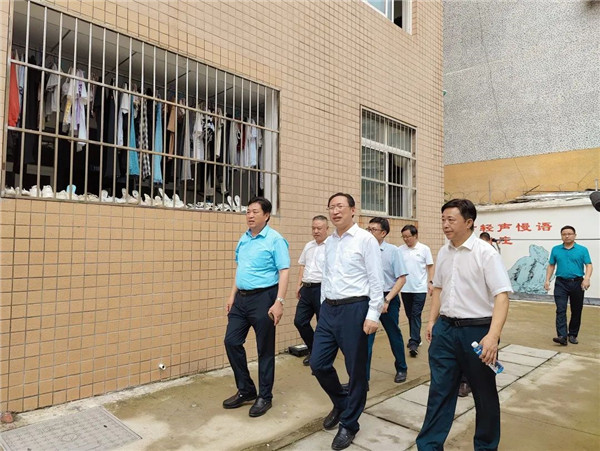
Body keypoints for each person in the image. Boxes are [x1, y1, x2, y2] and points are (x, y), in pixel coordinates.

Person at [416, 199, 512, 450]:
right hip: (445, 330)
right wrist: (432, 321)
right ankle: (428, 445)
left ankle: (485, 446)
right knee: (439, 391)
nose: (445, 225)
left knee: (484, 393)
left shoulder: (486, 253)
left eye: (451, 220)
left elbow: (502, 296)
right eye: (443, 220)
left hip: (477, 332)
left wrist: (492, 336)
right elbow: (438, 288)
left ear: (469, 222)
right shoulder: (444, 252)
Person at [310, 193, 384, 451]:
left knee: (356, 371)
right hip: (329, 309)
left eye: (340, 206)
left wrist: (373, 314)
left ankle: (350, 423)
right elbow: (327, 276)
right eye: (331, 207)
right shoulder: (330, 242)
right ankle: (342, 403)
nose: (335, 211)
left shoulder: (365, 240)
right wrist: (323, 306)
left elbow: (376, 279)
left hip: (355, 308)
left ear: (353, 210)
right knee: (318, 363)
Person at [223, 197, 290, 417]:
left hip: (264, 298)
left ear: (266, 215)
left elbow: (284, 271)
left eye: (255, 212)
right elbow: (240, 268)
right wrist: (232, 295)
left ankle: (265, 396)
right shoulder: (244, 238)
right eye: (248, 212)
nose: (250, 216)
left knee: (264, 349)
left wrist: (279, 302)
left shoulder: (275, 239)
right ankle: (246, 390)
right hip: (241, 300)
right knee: (231, 341)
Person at [366, 217, 408, 385]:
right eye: (368, 229)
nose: (369, 232)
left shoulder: (393, 251)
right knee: (366, 338)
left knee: (393, 334)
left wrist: (387, 300)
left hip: (388, 297)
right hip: (368, 298)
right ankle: (363, 379)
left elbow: (402, 278)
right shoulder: (363, 249)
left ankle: (402, 368)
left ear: (383, 233)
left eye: (373, 230)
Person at [544, 225, 593, 346]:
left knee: (576, 310)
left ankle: (573, 334)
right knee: (560, 309)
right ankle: (562, 336)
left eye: (569, 234)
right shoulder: (556, 249)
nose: (567, 236)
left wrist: (587, 279)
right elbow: (551, 265)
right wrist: (547, 280)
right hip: (561, 283)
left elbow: (588, 265)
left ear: (575, 235)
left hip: (577, 283)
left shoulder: (582, 250)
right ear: (561, 236)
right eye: (564, 234)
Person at [294, 215, 329, 366]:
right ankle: (313, 349)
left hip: (322, 289)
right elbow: (302, 265)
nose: (316, 231)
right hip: (307, 289)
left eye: (319, 228)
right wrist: (298, 284)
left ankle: (322, 356)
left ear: (327, 229)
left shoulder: (331, 246)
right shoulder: (309, 245)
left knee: (322, 324)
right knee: (300, 321)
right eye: (313, 228)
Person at [399, 225, 434, 357]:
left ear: (415, 236)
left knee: (415, 314)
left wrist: (431, 282)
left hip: (419, 288)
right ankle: (416, 338)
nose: (406, 239)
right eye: (404, 237)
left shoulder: (424, 249)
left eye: (408, 236)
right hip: (405, 288)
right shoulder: (400, 250)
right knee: (410, 314)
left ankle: (413, 342)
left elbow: (430, 267)